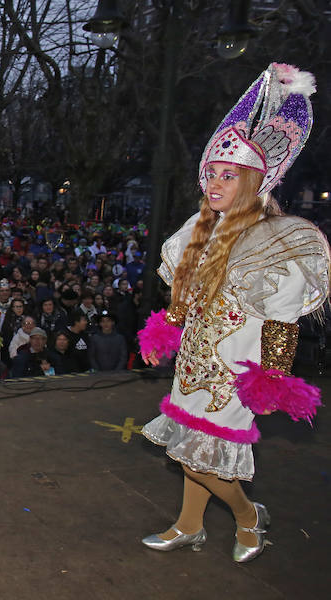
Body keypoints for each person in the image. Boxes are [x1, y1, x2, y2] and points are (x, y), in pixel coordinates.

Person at [138, 63, 330, 563]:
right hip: (195, 365)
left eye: (229, 175)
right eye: (213, 174)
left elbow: (283, 319)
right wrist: (169, 329)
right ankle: (188, 526)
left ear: (253, 181)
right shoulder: (199, 229)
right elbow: (186, 295)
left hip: (235, 374)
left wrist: (274, 377)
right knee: (188, 453)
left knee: (207, 463)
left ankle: (249, 518)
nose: (217, 183)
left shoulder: (279, 238)